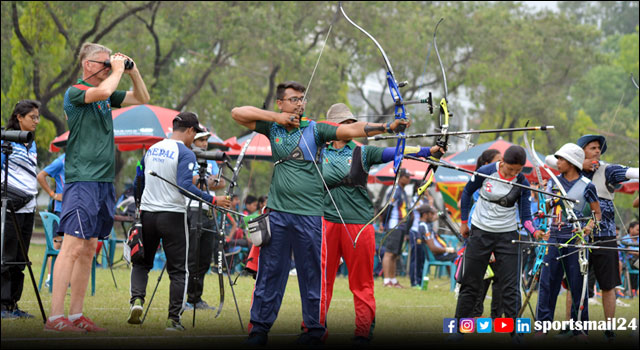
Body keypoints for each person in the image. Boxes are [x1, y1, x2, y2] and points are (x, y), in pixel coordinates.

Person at [231, 81, 410, 346]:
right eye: (293, 99)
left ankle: (314, 331)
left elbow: (349, 129)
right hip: (278, 214)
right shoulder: (273, 127)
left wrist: (386, 127)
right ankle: (258, 330)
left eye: (302, 99)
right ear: (281, 102)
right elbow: (237, 113)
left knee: (313, 275)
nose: (299, 104)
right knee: (271, 273)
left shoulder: (316, 129)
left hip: (311, 216)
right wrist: (275, 117)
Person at [46, 42, 150, 332]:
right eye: (103, 63)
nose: (108, 67)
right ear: (88, 65)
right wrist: (116, 69)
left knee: (90, 247)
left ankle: (76, 315)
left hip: (104, 181)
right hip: (83, 179)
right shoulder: (76, 93)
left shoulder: (106, 95)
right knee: (72, 246)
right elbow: (103, 91)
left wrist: (133, 70)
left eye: (110, 63)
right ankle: (55, 318)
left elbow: (142, 97)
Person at [320, 103, 442, 343]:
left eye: (350, 123)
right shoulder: (318, 151)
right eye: (342, 124)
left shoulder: (363, 152)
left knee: (362, 283)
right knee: (320, 281)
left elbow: (397, 151)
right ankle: (314, 329)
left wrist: (430, 150)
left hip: (359, 225)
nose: (348, 127)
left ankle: (363, 333)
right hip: (325, 222)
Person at [127, 112, 231, 330]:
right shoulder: (185, 153)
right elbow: (185, 185)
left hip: (147, 214)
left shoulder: (152, 149)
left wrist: (138, 210)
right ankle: (173, 319)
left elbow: (139, 180)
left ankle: (137, 301)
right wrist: (214, 200)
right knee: (178, 270)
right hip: (172, 215)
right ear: (191, 131)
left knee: (141, 262)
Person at [546, 134, 639, 341]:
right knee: (573, 283)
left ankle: (609, 329)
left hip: (604, 235)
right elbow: (548, 159)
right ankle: (573, 325)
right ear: (579, 153)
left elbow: (633, 172)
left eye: (599, 148)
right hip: (577, 237)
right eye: (592, 148)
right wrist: (581, 163)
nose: (597, 151)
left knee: (608, 284)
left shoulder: (608, 170)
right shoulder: (569, 169)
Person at [451, 145, 544, 343]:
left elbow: (526, 216)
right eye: (510, 169)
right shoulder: (485, 172)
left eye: (518, 170)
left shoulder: (522, 183)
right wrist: (464, 222)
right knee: (471, 282)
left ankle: (515, 333)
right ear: (502, 162)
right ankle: (458, 329)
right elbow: (467, 193)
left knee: (510, 287)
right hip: (480, 232)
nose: (513, 174)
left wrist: (534, 231)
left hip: (507, 236)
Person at [535, 143, 601, 339]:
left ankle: (579, 328)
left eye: (561, 159)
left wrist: (589, 227)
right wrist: (546, 198)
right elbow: (545, 209)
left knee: (578, 285)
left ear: (571, 163)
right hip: (554, 238)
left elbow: (597, 213)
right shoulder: (553, 182)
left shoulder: (587, 186)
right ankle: (542, 326)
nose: (558, 162)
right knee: (547, 283)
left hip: (577, 241)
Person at [1, 100, 41, 319]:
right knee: (6, 257)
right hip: (9, 208)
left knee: (20, 259)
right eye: (32, 117)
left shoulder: (31, 143)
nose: (36, 121)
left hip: (29, 208)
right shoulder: (5, 141)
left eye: (37, 117)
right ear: (19, 117)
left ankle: (13, 305)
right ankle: (2, 305)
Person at [184, 130, 225, 311]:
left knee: (205, 258)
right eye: (200, 140)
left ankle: (196, 299)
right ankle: (185, 299)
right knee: (191, 257)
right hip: (192, 209)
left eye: (206, 140)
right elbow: (190, 181)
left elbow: (221, 182)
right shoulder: (187, 157)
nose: (204, 144)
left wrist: (205, 181)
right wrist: (207, 181)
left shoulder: (210, 159)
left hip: (209, 211)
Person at [468, 149, 503, 318]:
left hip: (499, 236)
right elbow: (474, 211)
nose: (502, 164)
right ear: (487, 165)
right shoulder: (481, 184)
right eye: (498, 161)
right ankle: (474, 314)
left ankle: (497, 317)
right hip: (482, 236)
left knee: (500, 281)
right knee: (481, 279)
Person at [36, 153, 66, 288]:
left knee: (70, 245)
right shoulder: (60, 161)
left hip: (75, 209)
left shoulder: (82, 159)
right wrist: (53, 195)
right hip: (61, 210)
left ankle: (65, 278)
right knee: (56, 243)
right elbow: (41, 175)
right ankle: (50, 278)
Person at [381, 168, 413, 288]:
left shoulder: (403, 191)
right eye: (407, 176)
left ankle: (393, 280)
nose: (409, 178)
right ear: (400, 177)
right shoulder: (395, 190)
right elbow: (387, 208)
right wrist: (384, 224)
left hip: (401, 227)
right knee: (389, 253)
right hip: (394, 225)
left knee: (395, 254)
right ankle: (386, 280)